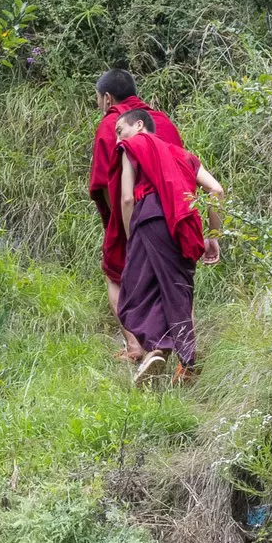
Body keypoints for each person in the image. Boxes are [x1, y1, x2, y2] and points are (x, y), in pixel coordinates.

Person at [114, 107, 222, 385]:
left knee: (134, 292)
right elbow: (216, 190)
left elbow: (127, 198)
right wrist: (213, 235)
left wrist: (131, 236)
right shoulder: (184, 156)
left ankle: (159, 350)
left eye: (119, 131)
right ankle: (181, 363)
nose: (117, 140)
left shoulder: (132, 145)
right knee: (176, 293)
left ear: (138, 126)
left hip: (150, 218)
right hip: (186, 225)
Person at [88, 69, 185, 357]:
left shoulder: (111, 124)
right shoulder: (162, 121)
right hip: (172, 210)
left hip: (133, 211)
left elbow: (104, 182)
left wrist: (116, 224)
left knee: (115, 274)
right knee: (171, 278)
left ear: (107, 98)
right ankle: (181, 350)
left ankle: (135, 346)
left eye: (97, 99)